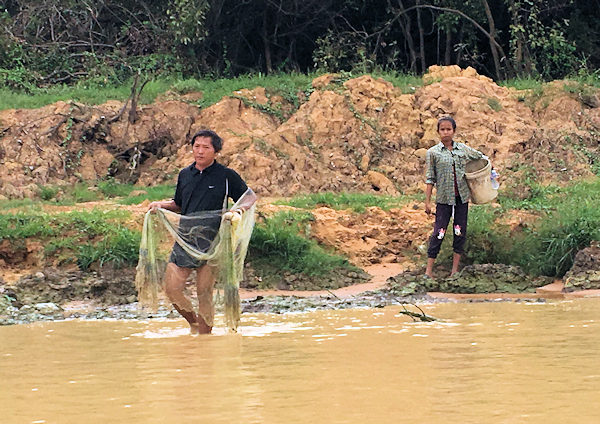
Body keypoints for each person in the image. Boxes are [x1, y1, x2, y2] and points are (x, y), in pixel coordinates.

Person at [148, 129, 257, 334]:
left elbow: (249, 197)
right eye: (196, 146)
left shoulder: (226, 176)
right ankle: (195, 323)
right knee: (172, 289)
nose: (200, 151)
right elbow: (179, 204)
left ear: (216, 151)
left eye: (206, 147)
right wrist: (160, 205)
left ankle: (205, 338)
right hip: (186, 238)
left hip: (214, 240)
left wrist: (238, 210)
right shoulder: (185, 174)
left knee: (204, 292)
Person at [424, 116, 486, 278]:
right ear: (438, 132)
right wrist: (427, 202)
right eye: (442, 129)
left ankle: (454, 270)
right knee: (439, 232)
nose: (446, 132)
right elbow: (430, 178)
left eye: (448, 129)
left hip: (461, 199)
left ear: (454, 131)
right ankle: (428, 271)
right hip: (443, 200)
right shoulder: (433, 153)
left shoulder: (463, 150)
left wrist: (489, 174)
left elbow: (480, 157)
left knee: (459, 232)